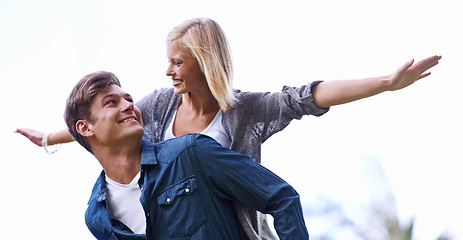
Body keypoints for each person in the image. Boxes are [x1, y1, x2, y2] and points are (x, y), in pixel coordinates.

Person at [16, 18, 442, 240]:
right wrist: (50, 139)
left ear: (204, 62)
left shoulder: (244, 112)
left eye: (179, 62)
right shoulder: (157, 105)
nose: (169, 70)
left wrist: (386, 84)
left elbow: (311, 95)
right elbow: (97, 130)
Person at [65, 70, 309, 239]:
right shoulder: (96, 217)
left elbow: (281, 198)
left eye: (128, 99)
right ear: (85, 128)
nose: (129, 105)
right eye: (111, 102)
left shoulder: (192, 152)